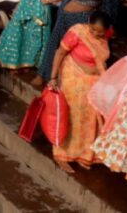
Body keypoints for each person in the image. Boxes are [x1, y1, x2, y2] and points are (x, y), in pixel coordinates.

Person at [39, 0, 118, 84]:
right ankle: (46, 75)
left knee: (71, 52)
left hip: (80, 19)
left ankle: (62, 80)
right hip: (64, 18)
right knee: (56, 47)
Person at [47, 12, 112, 172]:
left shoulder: (107, 35)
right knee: (74, 117)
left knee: (90, 119)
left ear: (106, 30)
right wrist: (53, 78)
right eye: (93, 29)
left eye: (100, 32)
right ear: (88, 22)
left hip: (94, 81)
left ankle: (84, 154)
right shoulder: (77, 32)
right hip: (73, 78)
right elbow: (60, 53)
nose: (95, 34)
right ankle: (62, 154)